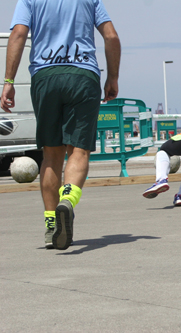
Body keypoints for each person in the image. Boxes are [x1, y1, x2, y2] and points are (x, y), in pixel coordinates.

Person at [1, 0, 121, 250]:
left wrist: (9, 80)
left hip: (46, 77)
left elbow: (19, 34)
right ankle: (68, 199)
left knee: (51, 155)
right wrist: (112, 77)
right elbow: (111, 36)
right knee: (79, 150)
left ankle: (50, 224)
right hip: (83, 76)